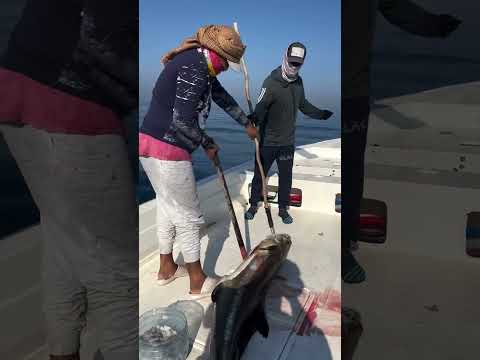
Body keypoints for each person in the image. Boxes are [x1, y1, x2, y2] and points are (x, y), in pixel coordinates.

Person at [0, 1, 138, 359]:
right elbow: (100, 37)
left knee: (61, 249)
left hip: (16, 87)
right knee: (120, 278)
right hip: (74, 107)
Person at [341, 0, 461, 283]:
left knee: (352, 171)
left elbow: (397, 8)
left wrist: (435, 26)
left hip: (354, 92)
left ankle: (345, 246)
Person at [139, 25, 257, 297]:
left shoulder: (199, 63)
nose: (228, 67)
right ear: (215, 54)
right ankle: (197, 281)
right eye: (227, 62)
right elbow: (182, 120)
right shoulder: (195, 68)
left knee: (167, 209)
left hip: (149, 144)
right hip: (169, 149)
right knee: (190, 219)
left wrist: (246, 123)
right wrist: (207, 143)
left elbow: (221, 97)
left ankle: (166, 269)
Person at [244, 42, 333, 224]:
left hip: (287, 142)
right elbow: (260, 107)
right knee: (260, 174)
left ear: (302, 63)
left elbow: (303, 104)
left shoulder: (299, 83)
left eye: (297, 64)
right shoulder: (270, 83)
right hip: (267, 142)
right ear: (285, 58)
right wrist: (253, 119)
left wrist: (320, 114)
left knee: (286, 178)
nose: (293, 67)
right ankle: (254, 204)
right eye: (291, 62)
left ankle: (283, 208)